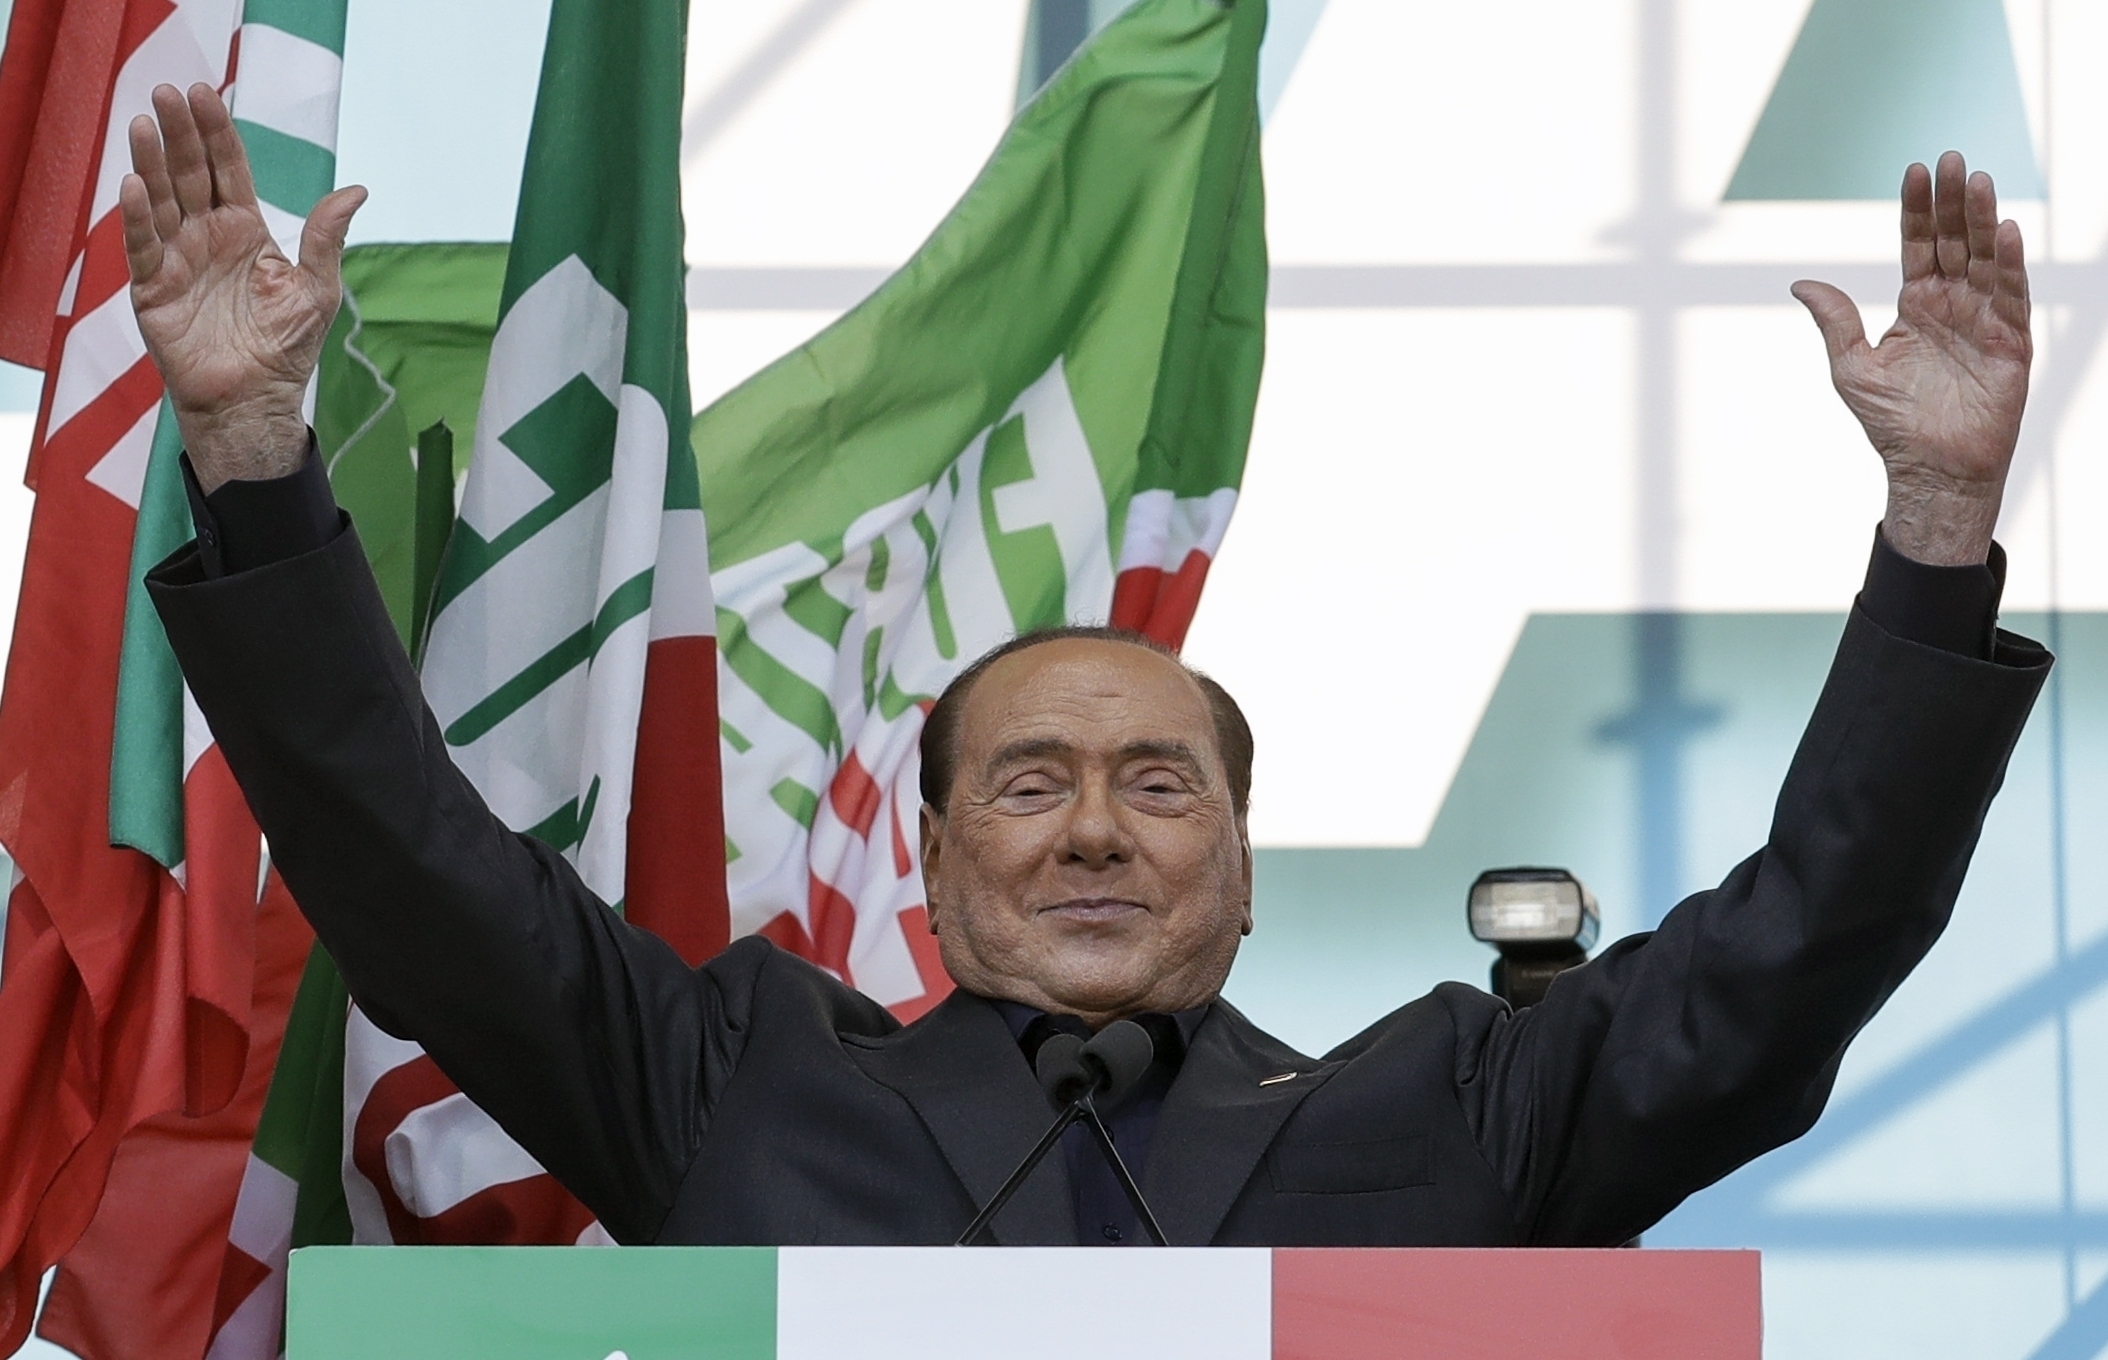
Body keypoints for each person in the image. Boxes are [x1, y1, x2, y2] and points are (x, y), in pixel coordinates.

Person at [126, 82, 2047, 1248]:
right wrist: (248, 459)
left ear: (1243, 859)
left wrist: (1940, 525)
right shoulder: (734, 1081)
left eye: (1159, 784)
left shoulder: (1465, 1103)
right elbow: (405, 861)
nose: (1097, 836)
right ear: (938, 865)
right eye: (1031, 786)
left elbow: (1815, 934)